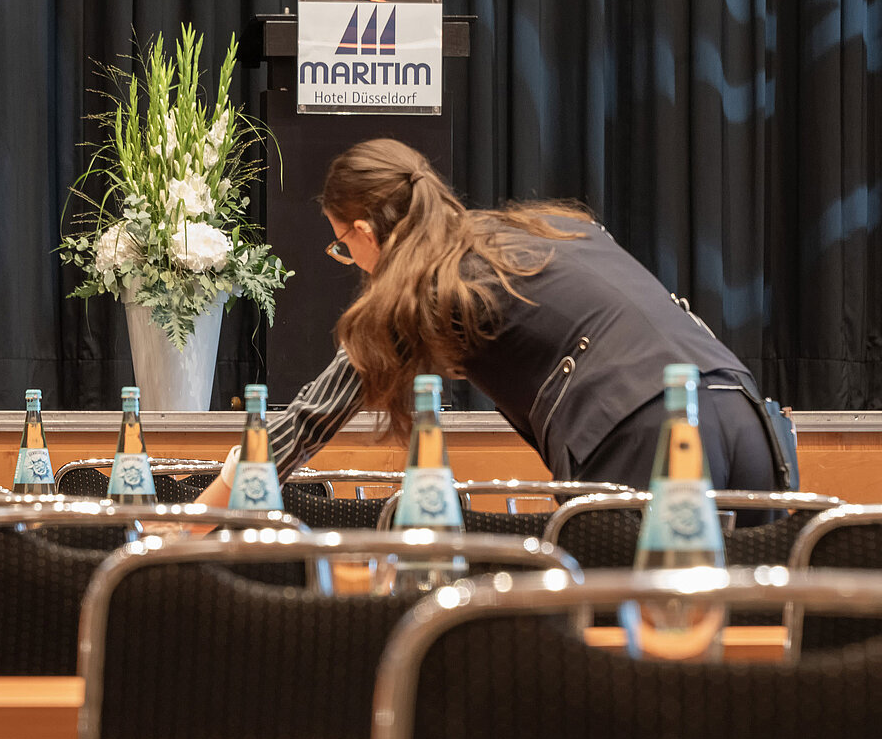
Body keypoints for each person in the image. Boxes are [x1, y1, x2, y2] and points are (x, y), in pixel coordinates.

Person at [201, 138, 783, 506]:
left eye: (341, 247)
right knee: (752, 642)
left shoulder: (427, 281)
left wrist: (188, 523)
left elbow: (309, 420)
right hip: (744, 413)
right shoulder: (546, 227)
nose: (350, 262)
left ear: (364, 232)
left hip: (644, 432)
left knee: (630, 654)